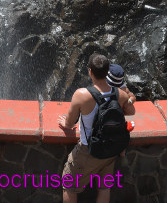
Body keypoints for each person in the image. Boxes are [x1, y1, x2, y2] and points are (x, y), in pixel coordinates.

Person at [57, 53, 136, 203]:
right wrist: (129, 99)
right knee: (104, 187)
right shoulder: (119, 94)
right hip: (111, 149)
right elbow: (131, 111)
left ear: (90, 71)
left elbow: (69, 123)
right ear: (107, 72)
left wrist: (65, 123)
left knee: (69, 185)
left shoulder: (81, 95)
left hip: (88, 151)